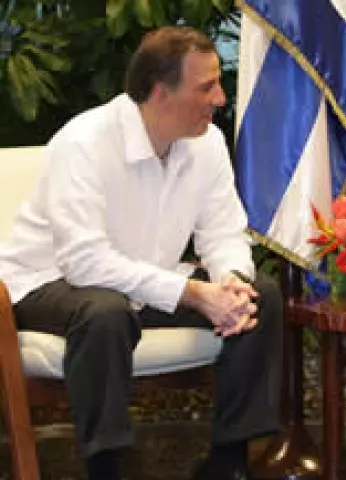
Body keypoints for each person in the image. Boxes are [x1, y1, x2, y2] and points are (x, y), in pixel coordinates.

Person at [0, 26, 283, 480]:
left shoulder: (207, 142)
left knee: (258, 295)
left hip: (146, 280)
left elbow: (223, 232)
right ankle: (105, 468)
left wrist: (230, 281)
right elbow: (84, 262)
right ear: (159, 92)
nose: (220, 98)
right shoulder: (83, 142)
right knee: (104, 312)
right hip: (47, 282)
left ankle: (229, 462)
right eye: (206, 87)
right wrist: (194, 293)